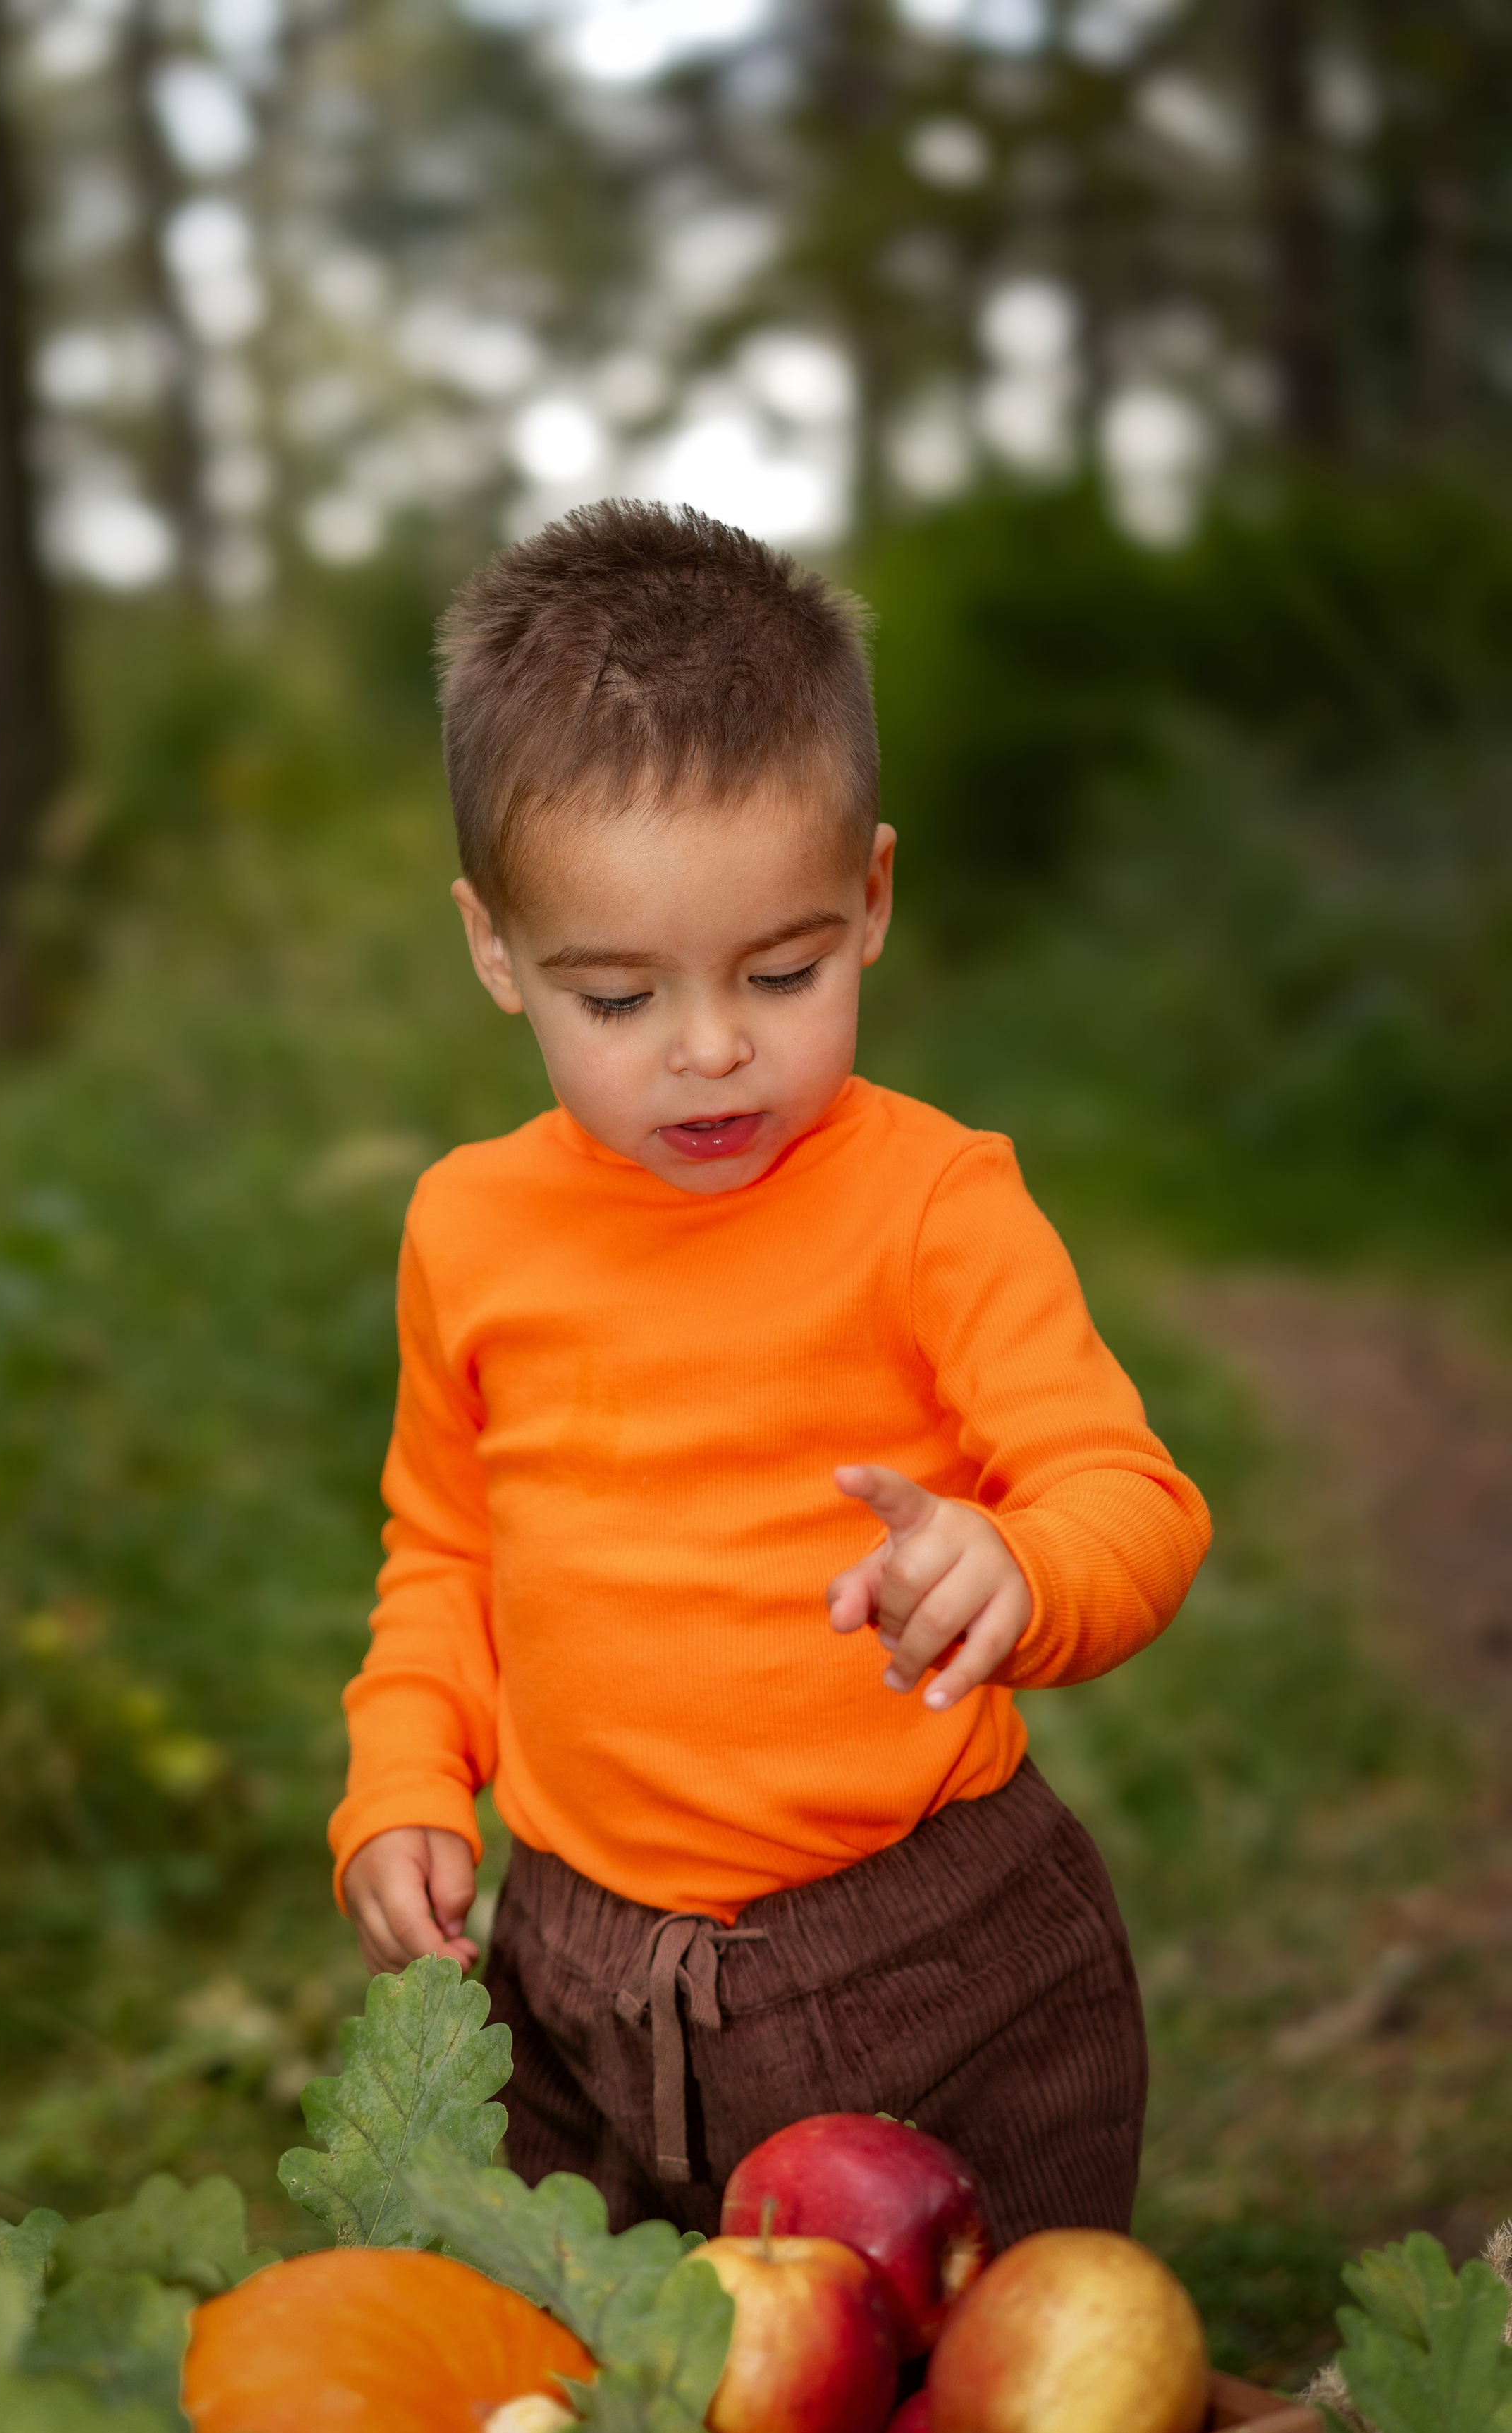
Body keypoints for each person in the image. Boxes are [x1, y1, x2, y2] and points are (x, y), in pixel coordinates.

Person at [328, 501, 1211, 2246]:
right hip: (574, 1976)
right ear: (496, 950)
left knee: (983, 2379)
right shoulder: (469, 1228)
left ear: (868, 898)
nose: (712, 1048)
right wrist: (406, 1773)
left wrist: (1021, 1566)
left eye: (781, 970)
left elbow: (1132, 1502)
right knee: (591, 2372)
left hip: (929, 1965)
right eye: (618, 998)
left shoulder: (929, 1204)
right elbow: (445, 1551)